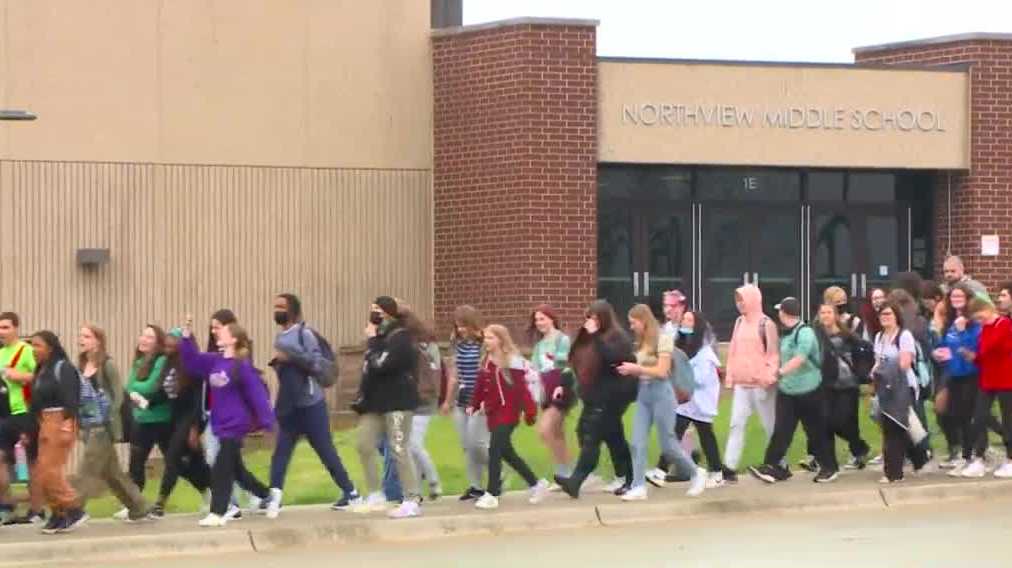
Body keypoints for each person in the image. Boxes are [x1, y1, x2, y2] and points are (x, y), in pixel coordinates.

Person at [267, 294, 360, 517]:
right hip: (290, 405)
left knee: (325, 451)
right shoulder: (280, 337)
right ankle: (275, 497)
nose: (277, 310)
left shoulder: (304, 334)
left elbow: (317, 365)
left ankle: (352, 493)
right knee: (281, 452)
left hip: (311, 405)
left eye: (281, 307)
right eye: (275, 307)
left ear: (292, 310)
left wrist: (290, 357)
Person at [177, 319, 276, 527]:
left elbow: (257, 396)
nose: (218, 333)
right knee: (237, 470)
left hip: (236, 424)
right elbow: (191, 361)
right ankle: (267, 495)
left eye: (223, 331)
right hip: (219, 424)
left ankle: (219, 512)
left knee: (221, 467)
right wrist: (186, 337)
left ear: (234, 339)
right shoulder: (215, 361)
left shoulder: (242, 367)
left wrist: (268, 422)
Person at [749, 298, 838, 484]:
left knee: (815, 432)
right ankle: (773, 466)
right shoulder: (785, 334)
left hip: (809, 391)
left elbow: (800, 358)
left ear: (783, 313)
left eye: (779, 311)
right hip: (787, 391)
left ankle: (829, 467)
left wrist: (779, 373)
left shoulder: (805, 333)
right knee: (781, 431)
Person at [554, 300, 636, 498]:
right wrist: (563, 384)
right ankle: (628, 476)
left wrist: (596, 336)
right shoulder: (589, 338)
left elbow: (614, 359)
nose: (590, 321)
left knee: (591, 436)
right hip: (592, 395)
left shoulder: (617, 337)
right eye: (588, 317)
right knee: (611, 437)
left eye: (594, 317)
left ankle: (576, 480)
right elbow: (574, 361)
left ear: (603, 318)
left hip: (611, 396)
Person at [73, 324, 153, 522]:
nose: (81, 339)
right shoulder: (81, 365)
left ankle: (72, 511)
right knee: (112, 473)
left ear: (98, 341)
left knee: (87, 469)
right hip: (88, 425)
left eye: (87, 336)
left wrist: (109, 419)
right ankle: (138, 506)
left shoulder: (107, 364)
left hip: (104, 426)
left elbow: (118, 396)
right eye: (81, 336)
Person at [352, 297, 423, 519]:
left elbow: (383, 364)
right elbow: (369, 368)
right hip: (375, 403)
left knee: (398, 449)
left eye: (378, 310)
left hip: (399, 401)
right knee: (364, 444)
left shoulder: (400, 337)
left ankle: (411, 499)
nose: (374, 314)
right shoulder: (379, 338)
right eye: (372, 309)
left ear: (390, 314)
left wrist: (372, 342)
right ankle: (375, 494)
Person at [468, 324, 549, 509]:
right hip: (493, 412)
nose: (486, 342)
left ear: (501, 340)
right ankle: (537, 484)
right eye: (485, 338)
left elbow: (522, 389)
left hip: (509, 413)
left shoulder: (512, 360)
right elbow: (481, 384)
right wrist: (474, 404)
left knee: (494, 450)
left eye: (490, 338)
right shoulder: (487, 360)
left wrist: (529, 411)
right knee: (508, 453)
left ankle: (492, 493)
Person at [29, 331, 88, 534]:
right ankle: (58, 513)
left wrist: (66, 425)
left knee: (49, 472)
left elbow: (72, 400)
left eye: (37, 345)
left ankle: (74, 507)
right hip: (44, 422)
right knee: (39, 473)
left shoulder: (63, 368)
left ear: (50, 348)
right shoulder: (41, 370)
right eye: (31, 346)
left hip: (60, 420)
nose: (33, 350)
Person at [723, 285, 779, 482]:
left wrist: (767, 376)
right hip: (742, 384)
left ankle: (778, 463)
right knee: (736, 424)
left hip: (761, 385)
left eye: (742, 299)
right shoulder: (739, 322)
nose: (740, 304)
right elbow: (733, 350)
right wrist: (730, 376)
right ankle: (729, 467)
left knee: (769, 425)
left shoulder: (766, 324)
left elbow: (773, 355)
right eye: (737, 299)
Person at [872, 301, 931, 483]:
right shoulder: (879, 337)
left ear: (897, 316)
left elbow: (905, 363)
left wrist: (884, 369)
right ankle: (920, 457)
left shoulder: (904, 336)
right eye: (882, 314)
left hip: (903, 387)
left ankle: (893, 473)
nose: (885, 318)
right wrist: (874, 374)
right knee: (900, 428)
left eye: (889, 314)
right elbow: (877, 362)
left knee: (895, 428)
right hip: (884, 388)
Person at [671, 311, 727, 487]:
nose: (685, 323)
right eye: (684, 320)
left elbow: (700, 378)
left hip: (700, 401)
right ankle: (660, 469)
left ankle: (717, 472)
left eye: (689, 320)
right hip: (687, 402)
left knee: (705, 435)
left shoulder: (704, 352)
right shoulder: (682, 346)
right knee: (675, 432)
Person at [932, 284, 982, 475]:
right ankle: (963, 454)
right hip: (953, 373)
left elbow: (974, 348)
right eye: (953, 296)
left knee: (966, 416)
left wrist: (962, 332)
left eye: (960, 296)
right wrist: (937, 351)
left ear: (968, 298)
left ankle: (970, 458)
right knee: (952, 414)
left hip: (971, 374)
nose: (956, 299)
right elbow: (947, 344)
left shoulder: (974, 321)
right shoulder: (953, 321)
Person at [440, 305, 489, 502]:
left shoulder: (484, 342)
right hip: (462, 400)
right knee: (466, 445)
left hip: (479, 401)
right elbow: (454, 374)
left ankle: (497, 471)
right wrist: (447, 401)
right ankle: (476, 486)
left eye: (464, 325)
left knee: (477, 443)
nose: (460, 330)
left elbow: (488, 372)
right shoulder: (456, 343)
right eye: (458, 326)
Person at [813, 303, 870, 470]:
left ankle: (858, 449)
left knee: (846, 421)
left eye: (829, 312)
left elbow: (864, 348)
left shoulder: (846, 334)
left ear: (835, 315)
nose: (825, 315)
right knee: (827, 423)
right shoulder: (816, 335)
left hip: (848, 383)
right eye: (822, 312)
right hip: (827, 384)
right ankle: (830, 463)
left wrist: (862, 370)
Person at [0, 312, 43, 524]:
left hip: (24, 414)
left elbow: (42, 378)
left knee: (29, 464)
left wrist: (21, 376)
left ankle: (37, 510)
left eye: (6, 327)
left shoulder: (26, 351)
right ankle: (7, 507)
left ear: (16, 328)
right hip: (3, 415)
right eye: (0, 328)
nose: (2, 332)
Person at [962, 297, 1012, 478]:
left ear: (988, 309)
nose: (979, 321)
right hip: (988, 379)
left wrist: (979, 352)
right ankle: (979, 457)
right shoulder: (985, 329)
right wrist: (972, 357)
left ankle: (1010, 459)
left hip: (1006, 379)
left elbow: (995, 347)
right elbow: (984, 354)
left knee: (1008, 420)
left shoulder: (1004, 324)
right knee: (979, 417)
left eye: (980, 316)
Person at [201, 309, 243, 514]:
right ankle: (261, 496)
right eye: (212, 327)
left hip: (229, 417)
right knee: (227, 463)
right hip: (212, 414)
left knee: (219, 460)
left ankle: (230, 504)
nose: (214, 331)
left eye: (218, 327)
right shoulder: (212, 353)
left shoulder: (237, 354)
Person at [529, 305, 575, 481]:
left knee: (545, 430)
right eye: (537, 320)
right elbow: (535, 369)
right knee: (557, 433)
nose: (539, 323)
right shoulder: (539, 345)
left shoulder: (562, 340)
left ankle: (568, 472)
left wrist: (561, 386)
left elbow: (563, 365)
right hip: (545, 391)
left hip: (561, 389)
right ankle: (565, 473)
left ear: (552, 319)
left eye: (543, 319)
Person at [408, 309, 443, 501]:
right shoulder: (429, 347)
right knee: (413, 446)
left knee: (413, 445)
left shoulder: (425, 348)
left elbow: (434, 374)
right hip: (416, 400)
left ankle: (433, 481)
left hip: (423, 401)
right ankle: (418, 491)